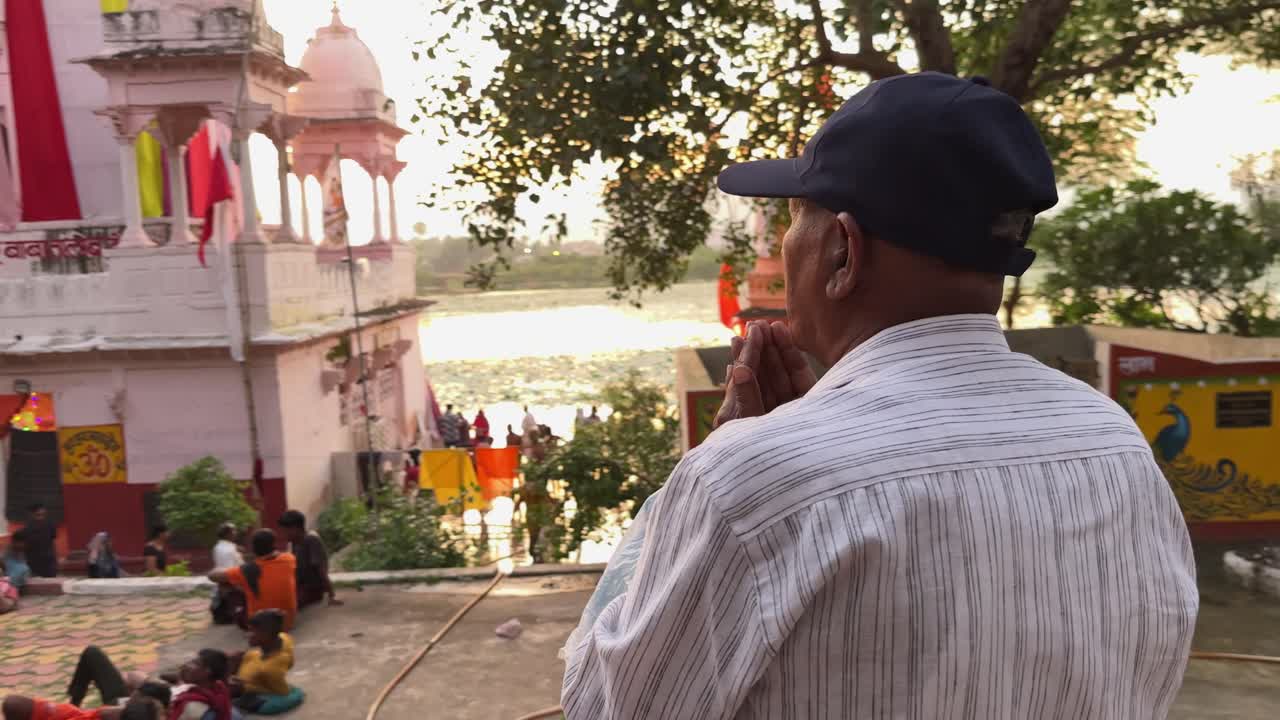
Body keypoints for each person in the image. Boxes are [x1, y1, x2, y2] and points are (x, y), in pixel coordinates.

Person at [561, 73, 1197, 719]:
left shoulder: (750, 483)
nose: (786, 250)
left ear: (842, 251)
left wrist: (691, 491)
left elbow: (605, 707)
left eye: (793, 219)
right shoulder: (1113, 442)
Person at [208, 529, 297, 631]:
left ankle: (231, 614)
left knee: (226, 585)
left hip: (260, 627)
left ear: (254, 548)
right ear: (274, 544)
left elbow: (212, 576)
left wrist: (220, 569)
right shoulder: (289, 559)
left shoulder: (245, 570)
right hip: (287, 622)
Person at [230, 610, 297, 714]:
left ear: (266, 634)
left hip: (253, 687)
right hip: (260, 665)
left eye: (252, 631)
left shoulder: (270, 669)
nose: (247, 635)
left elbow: (282, 693)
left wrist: (244, 687)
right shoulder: (283, 637)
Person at [277, 511, 340, 610]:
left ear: (295, 528)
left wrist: (332, 594)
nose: (283, 534)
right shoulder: (294, 542)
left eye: (285, 531)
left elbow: (320, 569)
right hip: (299, 585)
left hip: (311, 588)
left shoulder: (311, 540)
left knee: (286, 605)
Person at [210, 524, 245, 626]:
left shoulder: (218, 547)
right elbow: (230, 571)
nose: (236, 533)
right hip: (231, 580)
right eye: (233, 531)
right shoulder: (228, 550)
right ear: (227, 534)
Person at [22, 504, 57, 578]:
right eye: (38, 515)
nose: (41, 518)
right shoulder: (27, 528)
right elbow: (25, 546)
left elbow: (52, 542)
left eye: (43, 515)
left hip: (48, 560)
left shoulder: (50, 525)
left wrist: (54, 557)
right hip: (34, 561)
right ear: (32, 515)